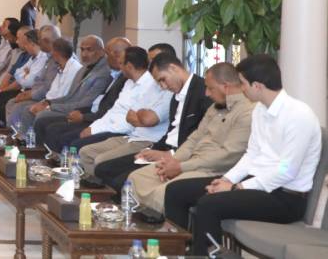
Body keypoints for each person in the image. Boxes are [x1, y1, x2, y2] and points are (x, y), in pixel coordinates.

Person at [165, 55, 322, 255]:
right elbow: (251, 155)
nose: (241, 89)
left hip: (285, 197)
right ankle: (176, 253)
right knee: (176, 191)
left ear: (257, 86)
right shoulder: (260, 111)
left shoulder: (298, 115)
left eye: (243, 83)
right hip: (255, 184)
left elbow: (286, 170)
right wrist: (226, 180)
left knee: (208, 205)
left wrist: (237, 187)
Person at [128, 62, 253, 213]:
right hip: (190, 162)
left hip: (211, 170)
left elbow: (227, 156)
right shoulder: (215, 107)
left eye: (210, 88)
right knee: (136, 178)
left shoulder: (246, 112)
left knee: (164, 192)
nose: (206, 93)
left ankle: (157, 225)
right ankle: (136, 221)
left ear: (225, 87)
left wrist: (181, 167)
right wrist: (173, 162)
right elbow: (194, 139)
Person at [92, 52, 212, 191]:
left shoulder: (203, 92)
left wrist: (170, 154)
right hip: (163, 148)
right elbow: (171, 132)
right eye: (159, 82)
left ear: (173, 68)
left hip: (180, 155)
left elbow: (200, 138)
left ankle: (130, 203)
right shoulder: (176, 95)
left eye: (163, 80)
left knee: (122, 181)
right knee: (103, 169)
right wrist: (151, 150)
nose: (163, 86)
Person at [74, 47, 172, 173]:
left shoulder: (167, 90)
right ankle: (91, 182)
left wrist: (140, 117)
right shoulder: (149, 85)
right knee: (85, 152)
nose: (150, 64)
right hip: (132, 136)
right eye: (150, 60)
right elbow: (129, 115)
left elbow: (148, 120)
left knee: (100, 160)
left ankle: (99, 184)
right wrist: (94, 127)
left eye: (154, 60)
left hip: (146, 140)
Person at [38, 38, 131, 152]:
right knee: (50, 126)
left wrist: (84, 117)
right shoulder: (111, 74)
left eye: (107, 54)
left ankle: (59, 160)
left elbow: (108, 110)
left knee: (63, 135)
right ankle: (46, 156)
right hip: (92, 115)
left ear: (117, 55)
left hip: (103, 122)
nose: (84, 54)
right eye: (82, 50)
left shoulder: (115, 76)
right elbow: (84, 99)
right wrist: (50, 103)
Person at [27, 35, 113, 143]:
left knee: (42, 118)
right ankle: (30, 144)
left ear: (101, 51)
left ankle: (38, 149)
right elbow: (70, 96)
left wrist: (50, 107)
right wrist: (48, 102)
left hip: (81, 112)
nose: (84, 54)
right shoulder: (84, 68)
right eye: (82, 49)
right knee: (35, 110)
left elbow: (86, 104)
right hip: (70, 107)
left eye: (89, 50)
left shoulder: (103, 73)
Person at [9, 38, 83, 133]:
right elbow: (53, 91)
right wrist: (44, 103)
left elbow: (65, 96)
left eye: (53, 51)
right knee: (27, 109)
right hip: (51, 102)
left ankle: (26, 139)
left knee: (33, 112)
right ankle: (20, 136)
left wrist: (47, 105)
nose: (51, 54)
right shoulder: (61, 66)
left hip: (62, 105)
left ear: (57, 53)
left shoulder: (74, 69)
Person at [4, 25, 62, 121]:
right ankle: (12, 130)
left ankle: (18, 130)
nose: (37, 43)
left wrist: (31, 95)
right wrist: (29, 92)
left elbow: (47, 87)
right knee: (11, 103)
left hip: (49, 99)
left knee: (19, 108)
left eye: (39, 40)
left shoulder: (57, 59)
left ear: (46, 41)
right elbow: (39, 80)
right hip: (38, 93)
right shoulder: (50, 57)